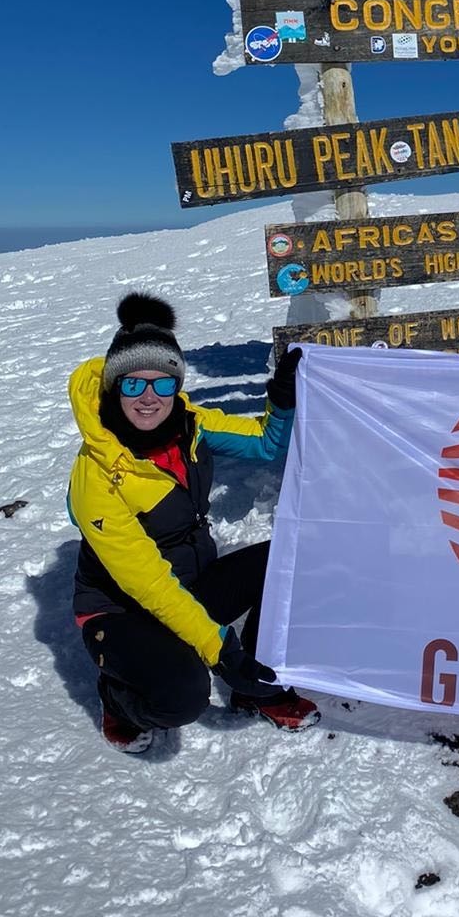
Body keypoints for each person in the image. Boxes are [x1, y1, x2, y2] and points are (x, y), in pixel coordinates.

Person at [67, 292, 319, 754]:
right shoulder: (97, 476)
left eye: (162, 384)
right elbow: (151, 585)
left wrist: (281, 402)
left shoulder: (192, 425)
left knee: (292, 559)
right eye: (133, 384)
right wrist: (220, 650)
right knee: (183, 696)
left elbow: (266, 444)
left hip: (189, 583)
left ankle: (255, 686)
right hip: (123, 611)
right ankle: (118, 698)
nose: (149, 398)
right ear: (113, 386)